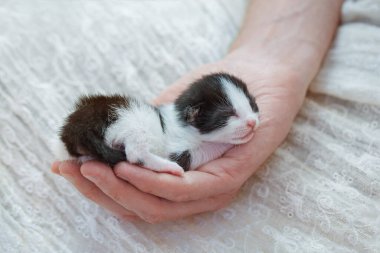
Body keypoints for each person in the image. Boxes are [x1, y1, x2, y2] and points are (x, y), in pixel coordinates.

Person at [51, 0, 344, 223]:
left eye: (251, 106)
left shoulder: (195, 133)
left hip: (104, 136)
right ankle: (135, 153)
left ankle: (113, 151)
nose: (252, 121)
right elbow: (184, 157)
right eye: (231, 114)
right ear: (193, 116)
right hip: (106, 125)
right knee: (137, 118)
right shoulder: (172, 128)